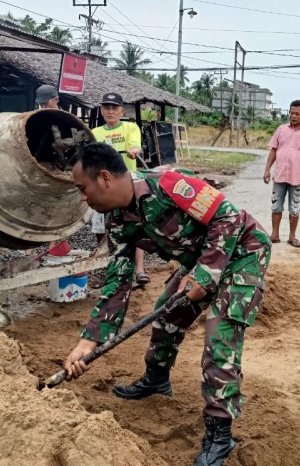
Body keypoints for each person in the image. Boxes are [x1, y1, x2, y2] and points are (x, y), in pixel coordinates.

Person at [64, 144, 271, 466]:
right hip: (201, 260)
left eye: (82, 188)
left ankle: (220, 435)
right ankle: (157, 379)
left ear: (103, 178)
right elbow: (118, 282)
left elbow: (227, 217)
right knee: (167, 316)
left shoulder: (169, 184)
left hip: (243, 254)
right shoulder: (118, 220)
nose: (82, 198)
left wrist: (205, 274)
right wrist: (87, 341)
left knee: (220, 338)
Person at [89, 92, 150, 286]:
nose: (110, 111)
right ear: (101, 111)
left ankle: (139, 270)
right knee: (100, 227)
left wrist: (134, 151)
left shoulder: (131, 128)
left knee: (136, 225)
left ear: (121, 111)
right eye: (106, 108)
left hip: (126, 184)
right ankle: (108, 267)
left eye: (114, 108)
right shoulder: (96, 133)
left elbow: (135, 146)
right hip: (102, 186)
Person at [263, 100, 300, 248]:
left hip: (298, 177)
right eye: (291, 113)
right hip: (280, 174)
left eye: (297, 114)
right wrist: (267, 169)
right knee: (276, 205)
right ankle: (274, 235)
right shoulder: (281, 129)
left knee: (294, 208)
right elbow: (273, 150)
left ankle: (292, 236)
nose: (293, 116)